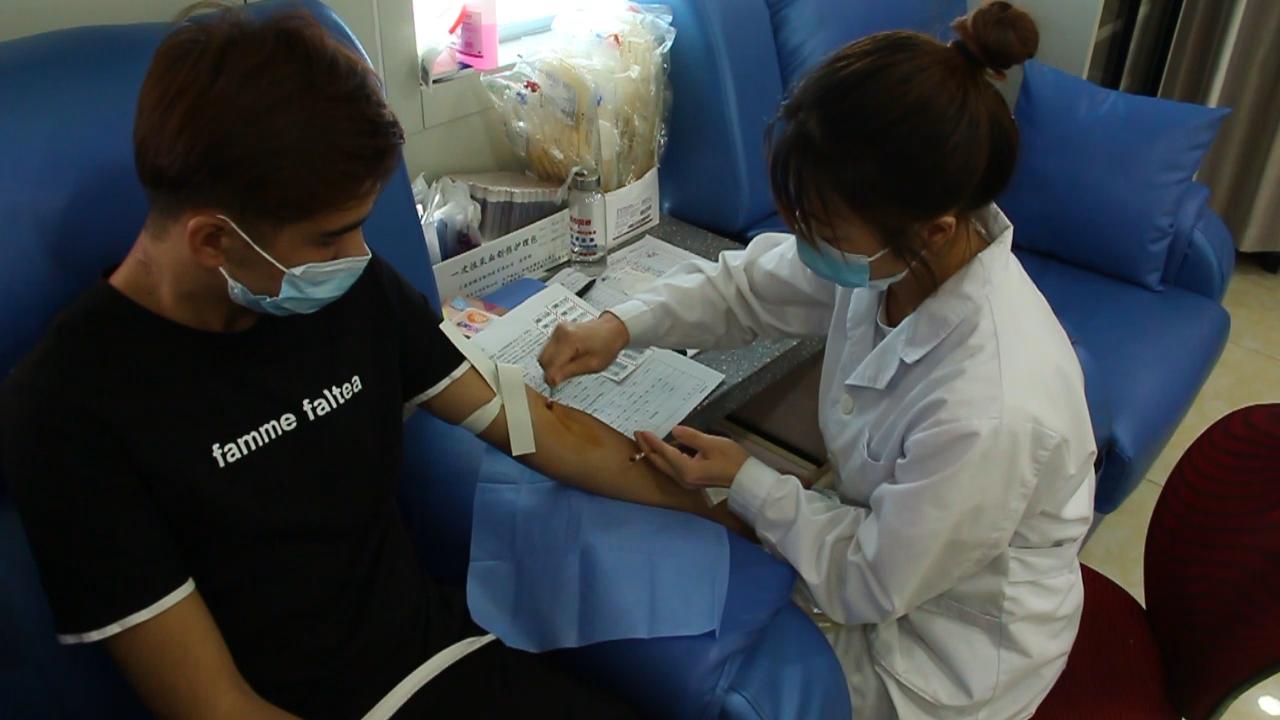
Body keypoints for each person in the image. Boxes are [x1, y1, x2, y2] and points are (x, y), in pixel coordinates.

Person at [0, 6, 740, 719]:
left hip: (447, 663)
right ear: (212, 242)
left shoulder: (345, 290)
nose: (359, 257)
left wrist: (734, 512)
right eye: (330, 238)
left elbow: (540, 428)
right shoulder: (71, 409)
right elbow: (215, 706)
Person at [538, 3, 1096, 719]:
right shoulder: (901, 254)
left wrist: (747, 479)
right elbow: (747, 290)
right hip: (885, 562)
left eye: (823, 229)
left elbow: (870, 580)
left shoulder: (992, 404)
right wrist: (621, 325)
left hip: (941, 657)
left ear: (933, 230)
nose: (804, 244)